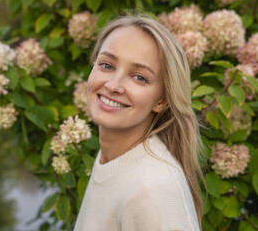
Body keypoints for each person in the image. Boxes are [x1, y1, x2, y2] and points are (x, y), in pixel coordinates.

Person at [73, 15, 204, 231]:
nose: (113, 85)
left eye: (140, 77)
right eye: (106, 65)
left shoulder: (151, 189)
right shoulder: (115, 157)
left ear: (162, 100)